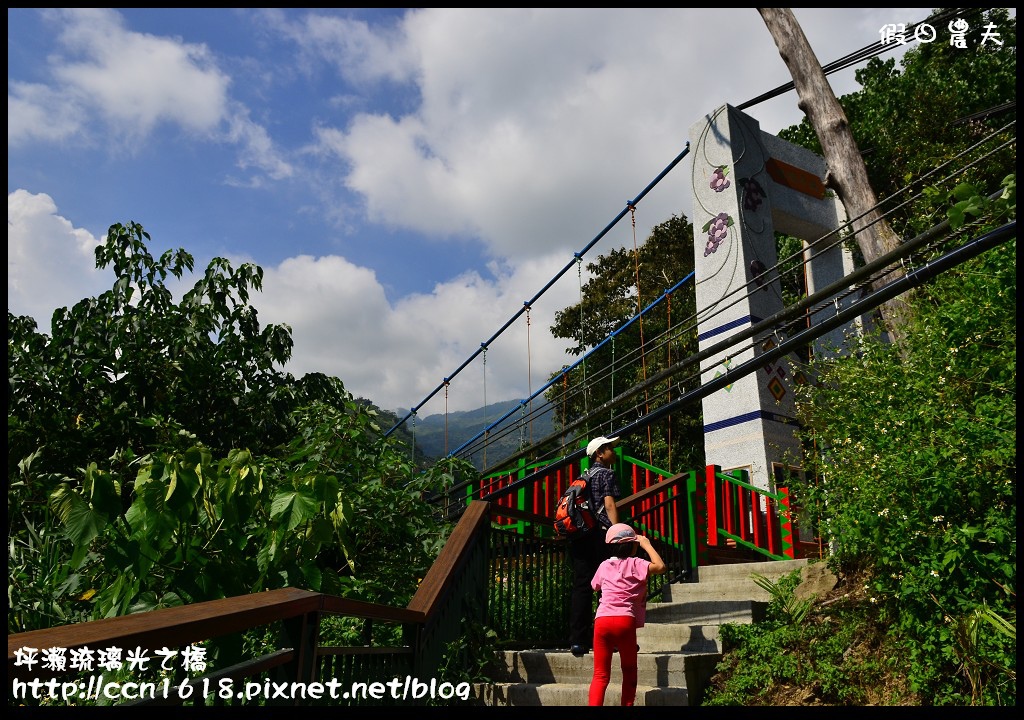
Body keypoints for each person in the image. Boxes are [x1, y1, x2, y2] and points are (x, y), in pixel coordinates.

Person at [588, 523, 667, 707]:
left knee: (600, 675)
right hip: (625, 621)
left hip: (602, 621)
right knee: (629, 670)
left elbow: (594, 586)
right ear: (633, 545)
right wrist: (646, 544)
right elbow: (661, 566)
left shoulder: (604, 566)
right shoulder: (637, 564)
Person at [568, 435, 621, 658]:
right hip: (599, 535)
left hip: (578, 536)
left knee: (582, 587)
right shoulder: (607, 474)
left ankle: (578, 641)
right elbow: (609, 505)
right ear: (600, 453)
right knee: (608, 586)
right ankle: (608, 639)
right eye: (610, 448)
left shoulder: (583, 476)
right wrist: (619, 534)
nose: (614, 452)